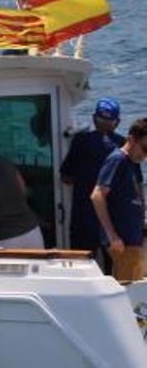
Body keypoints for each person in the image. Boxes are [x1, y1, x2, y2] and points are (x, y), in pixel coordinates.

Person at [61, 98, 124, 262]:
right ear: (116, 122)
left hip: (84, 218)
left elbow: (66, 177)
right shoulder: (122, 145)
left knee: (82, 264)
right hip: (113, 218)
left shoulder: (80, 141)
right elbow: (133, 184)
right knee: (115, 270)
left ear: (94, 118)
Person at [90, 118, 147, 283]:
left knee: (136, 286)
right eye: (144, 148)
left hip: (133, 240)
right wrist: (112, 236)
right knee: (129, 293)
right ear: (131, 140)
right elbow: (97, 195)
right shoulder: (117, 159)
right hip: (123, 243)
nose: (145, 156)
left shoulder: (132, 164)